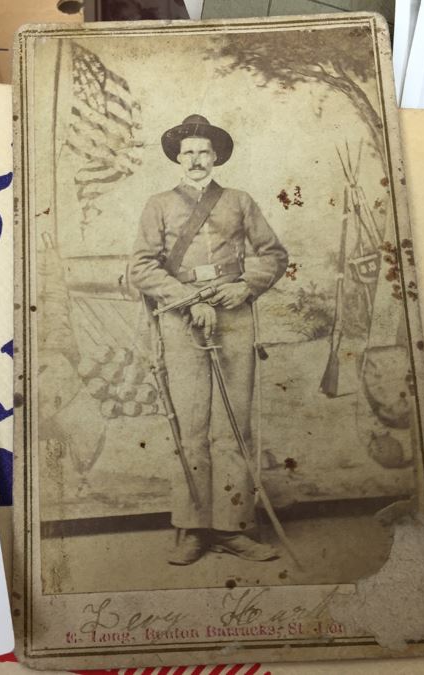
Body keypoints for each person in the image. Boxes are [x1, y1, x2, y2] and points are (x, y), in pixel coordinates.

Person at [129, 114, 289, 565]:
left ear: (216, 156)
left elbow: (273, 254)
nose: (196, 160)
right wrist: (186, 300)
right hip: (181, 320)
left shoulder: (239, 201)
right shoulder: (158, 204)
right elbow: (141, 267)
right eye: (188, 153)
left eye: (204, 151)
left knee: (233, 426)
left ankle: (232, 528)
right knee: (191, 426)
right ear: (177, 159)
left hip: (234, 316)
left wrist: (245, 286)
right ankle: (192, 528)